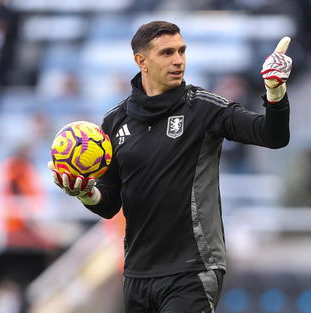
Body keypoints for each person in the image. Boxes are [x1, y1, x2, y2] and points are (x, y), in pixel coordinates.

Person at [49, 21, 292, 312]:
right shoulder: (114, 122)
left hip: (193, 268)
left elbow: (272, 135)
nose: (178, 60)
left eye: (181, 51)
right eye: (167, 53)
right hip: (137, 273)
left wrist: (275, 93)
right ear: (142, 61)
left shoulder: (204, 108)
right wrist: (87, 194)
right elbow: (110, 202)